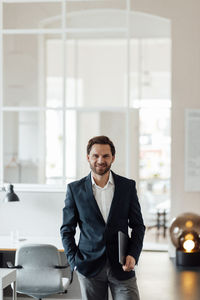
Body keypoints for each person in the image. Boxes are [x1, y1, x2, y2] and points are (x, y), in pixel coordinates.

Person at [60, 135, 145, 300]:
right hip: (89, 266)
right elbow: (66, 230)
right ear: (88, 157)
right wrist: (74, 261)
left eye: (106, 156)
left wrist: (133, 254)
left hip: (122, 265)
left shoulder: (127, 187)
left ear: (113, 157)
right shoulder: (74, 190)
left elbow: (138, 226)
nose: (101, 160)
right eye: (95, 155)